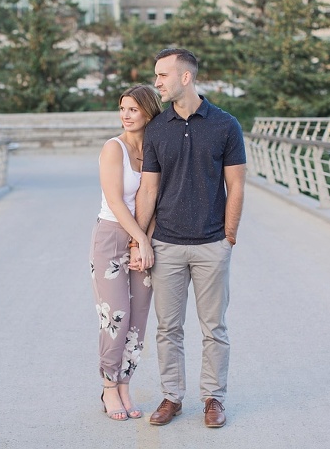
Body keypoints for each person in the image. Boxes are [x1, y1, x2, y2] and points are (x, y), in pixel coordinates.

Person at [132, 48, 246, 428]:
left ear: (186, 77)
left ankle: (214, 398)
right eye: (155, 75)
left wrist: (228, 236)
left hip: (212, 242)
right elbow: (148, 191)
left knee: (214, 327)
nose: (157, 82)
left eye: (162, 75)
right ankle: (172, 397)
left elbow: (236, 185)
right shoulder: (157, 129)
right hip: (167, 242)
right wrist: (139, 240)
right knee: (168, 328)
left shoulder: (226, 125)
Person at [89, 84, 161, 421]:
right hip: (111, 237)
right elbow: (116, 202)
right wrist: (140, 241)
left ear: (148, 111)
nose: (126, 115)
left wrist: (145, 239)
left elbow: (157, 200)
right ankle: (108, 386)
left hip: (143, 237)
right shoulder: (112, 148)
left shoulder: (155, 149)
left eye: (133, 109)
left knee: (138, 319)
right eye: (123, 108)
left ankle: (125, 385)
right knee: (114, 316)